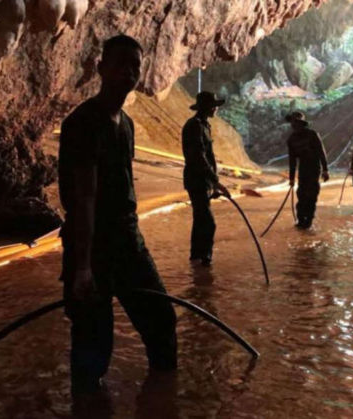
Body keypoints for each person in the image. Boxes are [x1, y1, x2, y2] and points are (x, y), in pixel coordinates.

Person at [58, 35, 177, 398]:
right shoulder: (83, 122)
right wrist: (81, 268)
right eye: (120, 63)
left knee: (162, 321)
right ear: (101, 69)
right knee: (93, 350)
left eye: (135, 66)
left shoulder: (125, 123)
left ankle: (164, 402)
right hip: (92, 245)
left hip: (128, 241)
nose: (129, 71)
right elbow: (84, 196)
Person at [182, 91, 230, 267]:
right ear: (207, 107)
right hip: (196, 180)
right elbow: (198, 158)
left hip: (204, 181)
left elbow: (208, 156)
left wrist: (213, 184)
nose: (216, 108)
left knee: (201, 219)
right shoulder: (194, 126)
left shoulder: (204, 126)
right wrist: (216, 181)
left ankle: (196, 259)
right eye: (214, 105)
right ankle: (204, 260)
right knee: (208, 223)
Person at [286, 111, 329, 229]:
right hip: (303, 169)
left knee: (311, 195)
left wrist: (325, 170)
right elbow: (292, 161)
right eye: (292, 123)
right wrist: (291, 178)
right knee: (301, 194)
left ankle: (309, 220)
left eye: (295, 122)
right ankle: (301, 220)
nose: (293, 125)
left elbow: (321, 152)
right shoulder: (291, 139)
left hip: (314, 168)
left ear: (301, 123)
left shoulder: (312, 134)